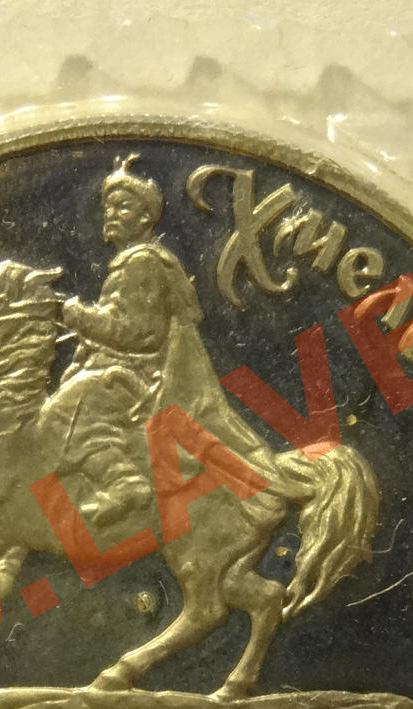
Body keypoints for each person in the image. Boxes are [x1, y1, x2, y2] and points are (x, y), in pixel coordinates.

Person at [44, 155, 274, 527]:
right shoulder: (131, 262)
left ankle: (122, 485)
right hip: (124, 368)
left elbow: (140, 334)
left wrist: (77, 315)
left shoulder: (143, 262)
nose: (112, 214)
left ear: (146, 217)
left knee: (71, 409)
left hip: (140, 376)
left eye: (124, 206)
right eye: (109, 207)